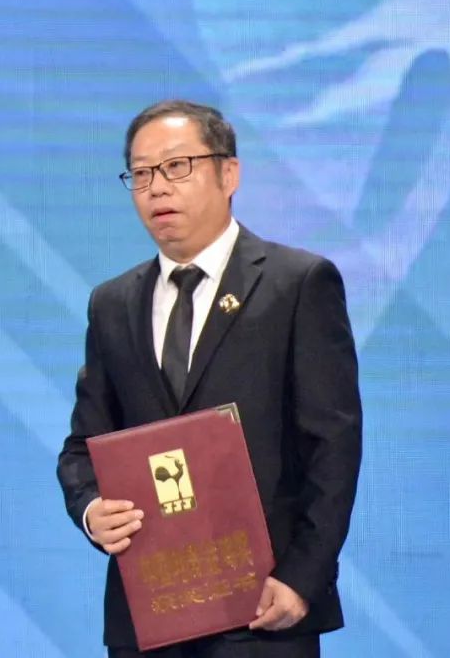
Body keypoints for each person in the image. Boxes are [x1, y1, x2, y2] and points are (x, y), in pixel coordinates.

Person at [57, 100, 362, 657]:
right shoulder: (112, 304)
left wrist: (303, 577)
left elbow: (333, 446)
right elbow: (83, 446)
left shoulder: (297, 284)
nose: (157, 187)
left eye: (177, 166)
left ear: (229, 174)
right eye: (141, 173)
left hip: (265, 612)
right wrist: (91, 509)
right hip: (149, 616)